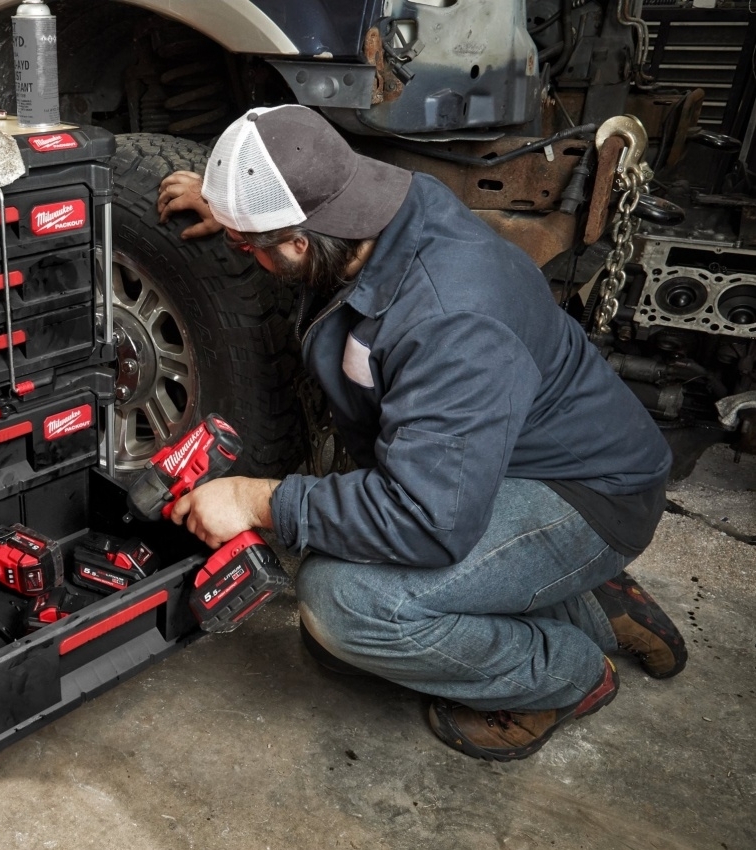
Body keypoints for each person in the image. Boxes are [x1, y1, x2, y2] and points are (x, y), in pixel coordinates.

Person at [155, 104, 687, 762]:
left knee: (346, 604)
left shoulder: (451, 320)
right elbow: (307, 192)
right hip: (507, 458)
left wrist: (257, 499)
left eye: (251, 246)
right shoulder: (385, 206)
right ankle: (592, 604)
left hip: (585, 493)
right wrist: (238, 215)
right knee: (341, 598)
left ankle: (565, 674)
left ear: (299, 241)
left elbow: (428, 519)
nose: (247, 252)